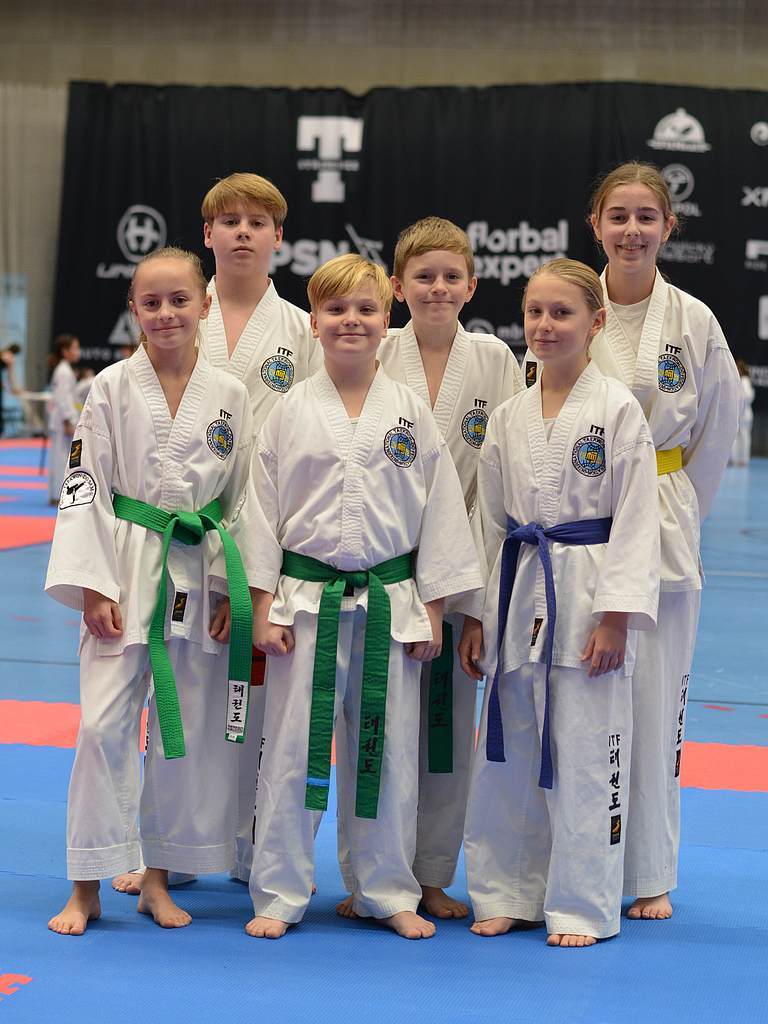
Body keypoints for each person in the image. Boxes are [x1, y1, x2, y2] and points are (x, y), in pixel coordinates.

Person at [226, 254, 483, 940]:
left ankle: (386, 890)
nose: (351, 321)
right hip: (304, 604)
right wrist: (260, 607)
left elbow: (440, 515)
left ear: (385, 319)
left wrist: (433, 610)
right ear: (313, 323)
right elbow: (260, 514)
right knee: (290, 753)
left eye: (366, 309)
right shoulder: (288, 412)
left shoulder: (410, 412)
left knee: (389, 754)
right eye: (336, 309)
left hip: (389, 607)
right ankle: (280, 891)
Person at [112, 171, 322, 895]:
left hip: (268, 533)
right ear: (207, 234)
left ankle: (253, 845)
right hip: (183, 539)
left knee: (259, 704)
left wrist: (255, 570)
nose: (242, 233)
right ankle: (170, 846)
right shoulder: (179, 311)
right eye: (228, 221)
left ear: (278, 237)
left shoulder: (300, 329)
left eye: (257, 222)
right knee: (179, 701)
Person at [45, 247, 253, 935]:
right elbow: (84, 486)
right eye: (151, 302)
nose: (166, 313)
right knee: (100, 726)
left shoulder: (230, 394)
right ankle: (85, 884)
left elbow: (242, 499)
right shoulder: (108, 387)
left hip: (196, 567)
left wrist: (229, 589)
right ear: (133, 309)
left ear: (205, 305)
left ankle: (157, 878)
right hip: (123, 567)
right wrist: (92, 585)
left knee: (180, 731)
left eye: (179, 300)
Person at [463, 258, 660, 947]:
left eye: (561, 313)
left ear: (596, 322)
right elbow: (490, 523)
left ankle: (581, 905)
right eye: (535, 313)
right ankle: (508, 891)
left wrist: (616, 617)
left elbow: (637, 518)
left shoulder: (618, 409)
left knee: (584, 751)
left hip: (587, 589)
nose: (544, 326)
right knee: (510, 748)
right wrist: (479, 615)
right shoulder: (510, 415)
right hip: (521, 588)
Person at [336, 216, 523, 921]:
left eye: (450, 276)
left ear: (471, 285)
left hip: (459, 565)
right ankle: (366, 875)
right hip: (380, 563)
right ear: (397, 286)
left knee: (445, 735)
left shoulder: (495, 361)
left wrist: (474, 609)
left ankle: (433, 874)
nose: (437, 288)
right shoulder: (375, 349)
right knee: (370, 729)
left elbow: (502, 483)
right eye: (423, 276)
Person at [585, 162, 741, 920]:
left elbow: (718, 428)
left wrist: (674, 507)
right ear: (596, 226)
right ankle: (578, 860)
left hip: (667, 510)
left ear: (668, 227)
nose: (632, 230)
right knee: (582, 699)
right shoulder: (572, 302)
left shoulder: (694, 319)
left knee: (657, 701)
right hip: (585, 522)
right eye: (618, 216)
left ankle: (649, 872)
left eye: (646, 216)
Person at [47, 335, 81, 503]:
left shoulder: (65, 369)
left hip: (64, 419)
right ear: (65, 351)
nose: (78, 351)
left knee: (62, 457)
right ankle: (57, 494)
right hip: (63, 421)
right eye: (75, 348)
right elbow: (62, 398)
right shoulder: (63, 371)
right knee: (61, 458)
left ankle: (58, 493)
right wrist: (68, 420)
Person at [730, 360, 754, 466]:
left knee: (744, 436)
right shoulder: (739, 380)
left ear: (741, 369)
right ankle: (734, 458)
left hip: (744, 413)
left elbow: (747, 397)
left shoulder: (744, 380)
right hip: (739, 412)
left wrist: (737, 403)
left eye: (738, 368)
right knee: (735, 436)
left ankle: (743, 459)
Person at [0, 343, 22, 437]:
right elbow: (10, 376)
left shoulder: (2, 352)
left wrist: (4, 386)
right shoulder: (10, 357)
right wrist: (13, 388)